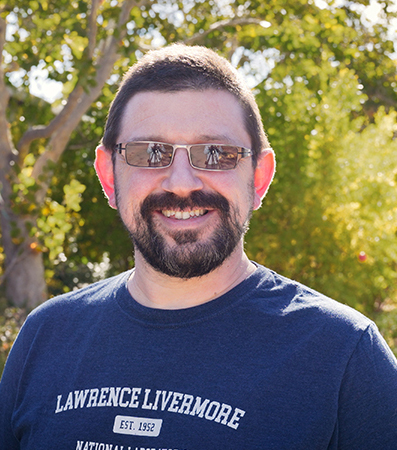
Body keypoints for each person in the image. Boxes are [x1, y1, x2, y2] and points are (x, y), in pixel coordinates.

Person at [1, 44, 397, 450]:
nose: (181, 182)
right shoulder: (44, 338)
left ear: (259, 177)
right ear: (108, 175)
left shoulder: (344, 357)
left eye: (216, 154)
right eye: (150, 153)